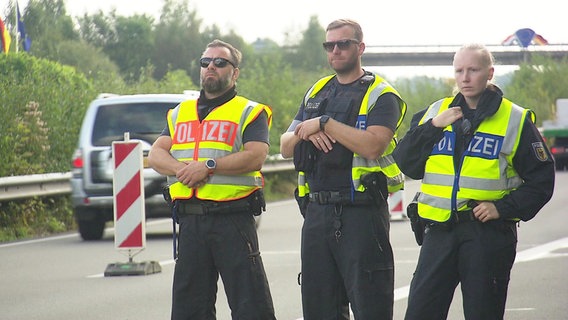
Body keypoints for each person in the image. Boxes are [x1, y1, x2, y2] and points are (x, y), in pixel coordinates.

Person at [393, 43, 555, 319]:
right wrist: (433, 128)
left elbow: (542, 181)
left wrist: (502, 208)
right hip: (438, 234)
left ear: (489, 73)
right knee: (420, 312)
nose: (465, 78)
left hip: (486, 236)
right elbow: (406, 161)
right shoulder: (435, 112)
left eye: (473, 70)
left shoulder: (514, 119)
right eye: (459, 71)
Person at [280, 19, 407, 319]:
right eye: (329, 45)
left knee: (370, 306)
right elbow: (285, 146)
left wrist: (325, 124)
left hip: (361, 214)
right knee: (319, 308)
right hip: (317, 213)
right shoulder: (318, 90)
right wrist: (306, 132)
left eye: (343, 44)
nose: (335, 50)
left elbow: (372, 145)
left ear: (360, 47)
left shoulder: (381, 94)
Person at [148, 39, 276, 320]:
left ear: (235, 72)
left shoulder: (249, 111)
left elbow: (256, 157)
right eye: (206, 62)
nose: (211, 67)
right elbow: (156, 154)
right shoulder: (180, 113)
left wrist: (206, 167)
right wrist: (183, 169)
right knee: (189, 309)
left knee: (250, 306)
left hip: (232, 219)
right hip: (191, 222)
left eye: (220, 62)